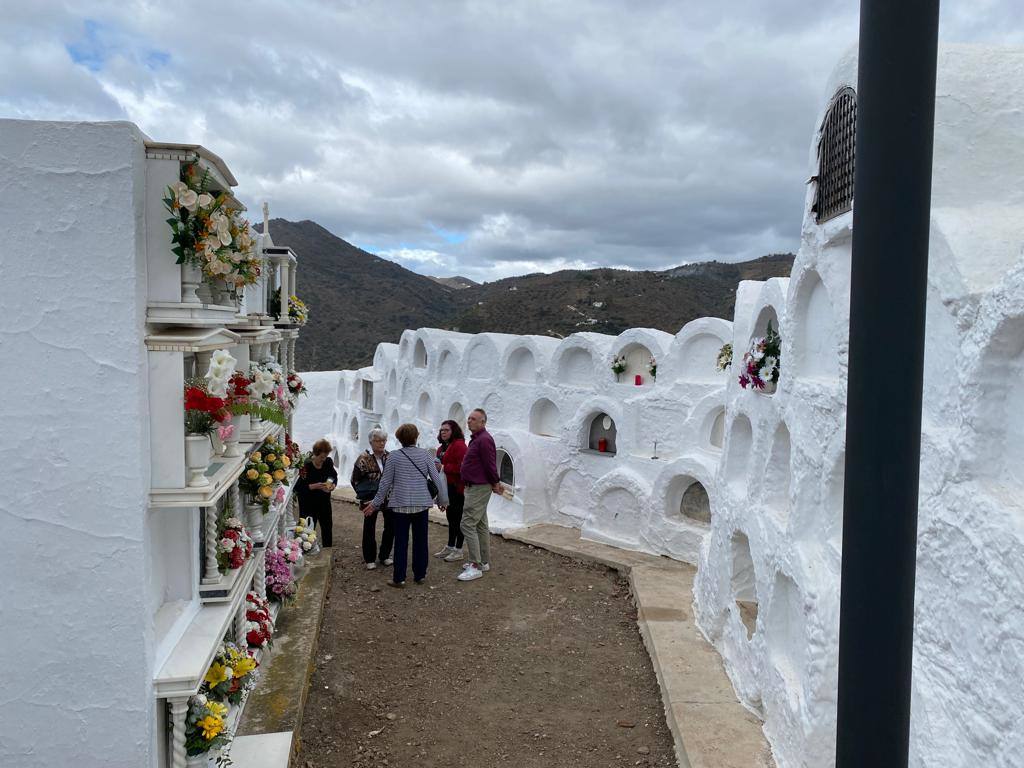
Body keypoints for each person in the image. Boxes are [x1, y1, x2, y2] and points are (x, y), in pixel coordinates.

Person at [362, 423, 448, 587]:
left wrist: (374, 504)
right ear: (416, 437)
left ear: (399, 439)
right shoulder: (425, 455)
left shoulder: (393, 457)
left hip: (400, 506)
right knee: (421, 540)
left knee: (401, 542)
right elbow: (437, 479)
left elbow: (385, 484)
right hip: (421, 505)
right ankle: (420, 575)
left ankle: (399, 578)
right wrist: (443, 501)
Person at [457, 408, 504, 582]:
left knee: (467, 523)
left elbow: (490, 464)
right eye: (469, 418)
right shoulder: (477, 439)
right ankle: (483, 561)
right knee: (481, 524)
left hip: (478, 487)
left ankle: (475, 565)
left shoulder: (484, 440)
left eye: (473, 419)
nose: (469, 421)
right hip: (476, 486)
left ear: (483, 422)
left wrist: (496, 482)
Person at [350, 427, 394, 570]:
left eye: (383, 440)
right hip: (370, 499)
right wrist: (363, 495)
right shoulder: (363, 458)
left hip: (388, 498)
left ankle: (385, 555)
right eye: (378, 440)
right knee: (369, 527)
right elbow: (354, 480)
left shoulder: (389, 457)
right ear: (371, 442)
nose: (381, 443)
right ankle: (369, 558)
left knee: (390, 527)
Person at [433, 420, 468, 561]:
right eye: (442, 430)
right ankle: (450, 546)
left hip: (457, 488)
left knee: (458, 519)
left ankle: (458, 550)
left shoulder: (459, 445)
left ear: (453, 431)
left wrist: (443, 467)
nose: (443, 432)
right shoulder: (441, 448)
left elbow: (463, 468)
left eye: (446, 430)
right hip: (446, 488)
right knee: (450, 518)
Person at [295, 438, 338, 548]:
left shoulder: (328, 462)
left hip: (324, 501)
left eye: (325, 456)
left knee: (327, 527)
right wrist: (314, 486)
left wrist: (331, 485)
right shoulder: (306, 466)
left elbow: (332, 476)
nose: (323, 460)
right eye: (321, 457)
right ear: (315, 454)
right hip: (308, 503)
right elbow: (298, 486)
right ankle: (306, 549)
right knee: (308, 528)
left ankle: (327, 550)